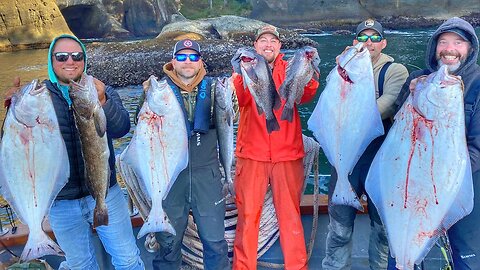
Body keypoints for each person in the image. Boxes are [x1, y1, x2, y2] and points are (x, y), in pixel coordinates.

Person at [4, 34, 144, 269]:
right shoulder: (38, 98)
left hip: (105, 194)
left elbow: (121, 128)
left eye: (77, 55)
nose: (70, 61)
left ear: (84, 59)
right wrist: (12, 115)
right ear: (51, 61)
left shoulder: (102, 91)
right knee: (79, 264)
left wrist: (103, 101)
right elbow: (14, 151)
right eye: (61, 56)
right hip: (61, 203)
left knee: (128, 259)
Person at [388, 17, 480, 269]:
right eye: (443, 41)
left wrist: (442, 182)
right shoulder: (417, 79)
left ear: (470, 48)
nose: (450, 49)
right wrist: (410, 95)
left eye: (458, 42)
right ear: (434, 47)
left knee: (467, 259)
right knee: (402, 255)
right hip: (411, 186)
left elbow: (478, 146)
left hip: (463, 185)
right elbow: (395, 131)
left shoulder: (478, 84)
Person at [136, 39, 232, 270]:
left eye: (193, 57)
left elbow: (233, 119)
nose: (187, 61)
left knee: (215, 243)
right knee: (168, 245)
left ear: (200, 62)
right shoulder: (156, 91)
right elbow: (141, 137)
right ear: (172, 61)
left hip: (207, 177)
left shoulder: (216, 88)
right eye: (181, 57)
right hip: (169, 179)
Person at [230, 25, 320, 270]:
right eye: (263, 40)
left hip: (288, 154)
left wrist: (311, 71)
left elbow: (307, 95)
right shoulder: (246, 66)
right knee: (248, 219)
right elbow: (239, 98)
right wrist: (239, 73)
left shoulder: (291, 67)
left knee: (290, 217)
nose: (268, 44)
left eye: (273, 41)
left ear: (279, 46)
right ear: (255, 45)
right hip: (251, 155)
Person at [322, 19, 409, 270]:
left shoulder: (395, 70)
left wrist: (349, 116)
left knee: (382, 230)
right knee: (339, 228)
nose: (367, 42)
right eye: (362, 38)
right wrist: (341, 68)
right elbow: (329, 103)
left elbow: (389, 104)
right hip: (346, 162)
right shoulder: (343, 67)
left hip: (380, 160)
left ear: (383, 43)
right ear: (354, 42)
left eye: (373, 38)